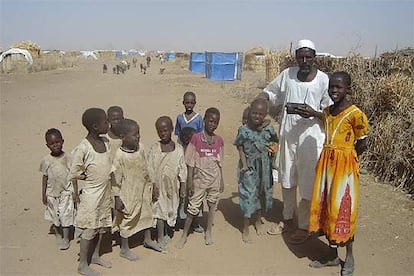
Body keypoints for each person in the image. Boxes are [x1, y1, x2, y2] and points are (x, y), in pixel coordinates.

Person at [261, 39, 332, 244]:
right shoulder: (288, 75)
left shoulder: (323, 80)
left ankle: (303, 226)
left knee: (308, 184)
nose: (304, 60)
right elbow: (271, 92)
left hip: (311, 139)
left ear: (314, 58)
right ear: (296, 58)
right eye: (301, 56)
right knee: (287, 179)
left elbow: (330, 113)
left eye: (308, 56)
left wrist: (314, 113)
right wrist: (260, 99)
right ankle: (287, 220)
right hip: (288, 135)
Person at [307, 72, 369, 276]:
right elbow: (322, 117)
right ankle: (332, 256)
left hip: (344, 170)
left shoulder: (355, 114)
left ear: (348, 89)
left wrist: (347, 159)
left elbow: (363, 142)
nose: (334, 91)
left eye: (339, 87)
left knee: (344, 209)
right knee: (326, 207)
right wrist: (310, 112)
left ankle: (349, 257)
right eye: (331, 87)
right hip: (326, 166)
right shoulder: (328, 111)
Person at [112, 119, 165, 261]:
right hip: (128, 192)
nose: (138, 136)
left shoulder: (140, 147)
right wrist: (117, 197)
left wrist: (153, 185)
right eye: (135, 134)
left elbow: (147, 167)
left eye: (139, 133)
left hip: (143, 189)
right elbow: (116, 179)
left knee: (147, 213)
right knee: (128, 218)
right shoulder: (119, 155)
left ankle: (147, 240)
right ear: (123, 137)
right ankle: (124, 248)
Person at [69, 108, 113, 275]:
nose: (108, 124)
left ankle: (95, 255)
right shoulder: (83, 148)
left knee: (101, 226)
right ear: (95, 126)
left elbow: (109, 165)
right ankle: (82, 265)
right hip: (91, 195)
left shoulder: (106, 142)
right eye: (105, 122)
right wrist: (87, 176)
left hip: (105, 193)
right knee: (89, 229)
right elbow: (74, 171)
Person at [175, 107, 224, 249]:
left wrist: (221, 180)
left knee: (212, 205)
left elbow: (219, 163)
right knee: (192, 209)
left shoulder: (219, 141)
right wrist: (190, 181)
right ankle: (184, 235)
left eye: (215, 122)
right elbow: (190, 162)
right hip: (199, 181)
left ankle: (209, 232)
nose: (212, 124)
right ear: (204, 120)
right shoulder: (196, 139)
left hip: (214, 180)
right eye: (210, 121)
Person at [234, 99, 278, 243]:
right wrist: (245, 165)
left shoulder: (268, 129)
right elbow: (239, 146)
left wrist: (272, 157)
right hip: (249, 168)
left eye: (260, 114)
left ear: (265, 114)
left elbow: (275, 141)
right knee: (248, 195)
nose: (257, 116)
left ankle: (258, 221)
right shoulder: (244, 130)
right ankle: (246, 227)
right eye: (254, 113)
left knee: (261, 193)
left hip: (264, 167)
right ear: (250, 112)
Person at [147, 116, 187, 250]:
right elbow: (150, 169)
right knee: (159, 211)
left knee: (170, 209)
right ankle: (159, 236)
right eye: (159, 131)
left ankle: (166, 231)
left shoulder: (179, 149)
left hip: (172, 187)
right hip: (159, 187)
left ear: (171, 129)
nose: (163, 134)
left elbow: (182, 169)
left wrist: (183, 186)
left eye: (165, 130)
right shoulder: (155, 149)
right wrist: (153, 186)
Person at [40, 128, 74, 250]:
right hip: (51, 193)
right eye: (52, 143)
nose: (55, 145)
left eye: (57, 142)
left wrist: (75, 193)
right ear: (47, 145)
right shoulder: (46, 160)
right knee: (54, 215)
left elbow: (73, 176)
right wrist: (43, 194)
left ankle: (66, 237)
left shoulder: (69, 157)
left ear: (62, 141)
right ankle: (58, 233)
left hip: (66, 192)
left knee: (65, 215)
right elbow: (45, 177)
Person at [177, 127, 204, 233]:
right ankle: (179, 221)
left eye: (191, 137)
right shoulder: (179, 150)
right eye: (186, 137)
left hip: (195, 181)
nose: (188, 139)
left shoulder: (197, 150)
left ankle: (195, 222)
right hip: (182, 182)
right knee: (181, 202)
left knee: (195, 202)